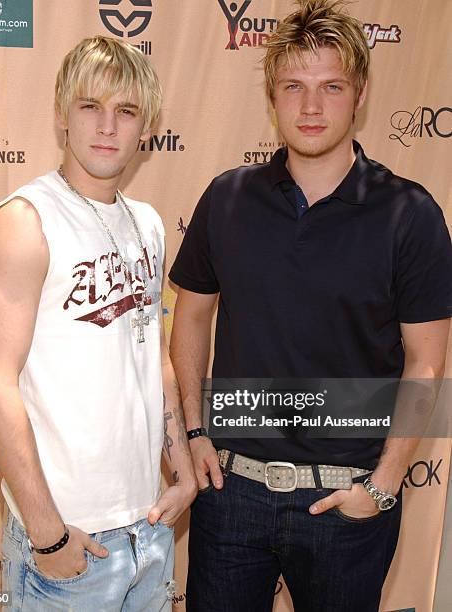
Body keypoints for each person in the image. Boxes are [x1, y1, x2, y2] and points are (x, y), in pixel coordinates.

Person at [168, 1, 452, 611]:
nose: (312, 106)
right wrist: (193, 432)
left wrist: (381, 488)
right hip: (230, 495)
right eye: (294, 86)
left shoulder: (410, 214)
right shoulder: (227, 199)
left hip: (345, 505)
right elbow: (190, 317)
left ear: (360, 94)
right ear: (273, 94)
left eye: (331, 86)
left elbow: (427, 364)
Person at [0, 36, 197, 611]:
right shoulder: (27, 219)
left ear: (145, 126)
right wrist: (48, 535)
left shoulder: (147, 223)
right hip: (70, 542)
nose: (107, 126)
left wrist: (183, 471)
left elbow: (155, 360)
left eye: (125, 112)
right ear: (61, 114)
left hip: (148, 530)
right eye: (90, 106)